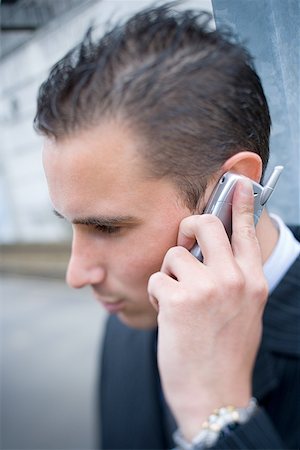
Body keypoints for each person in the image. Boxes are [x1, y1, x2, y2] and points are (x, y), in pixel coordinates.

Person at [34, 4, 300, 449]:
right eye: (72, 226)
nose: (76, 275)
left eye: (107, 227)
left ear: (234, 190)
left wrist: (219, 417)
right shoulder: (133, 314)